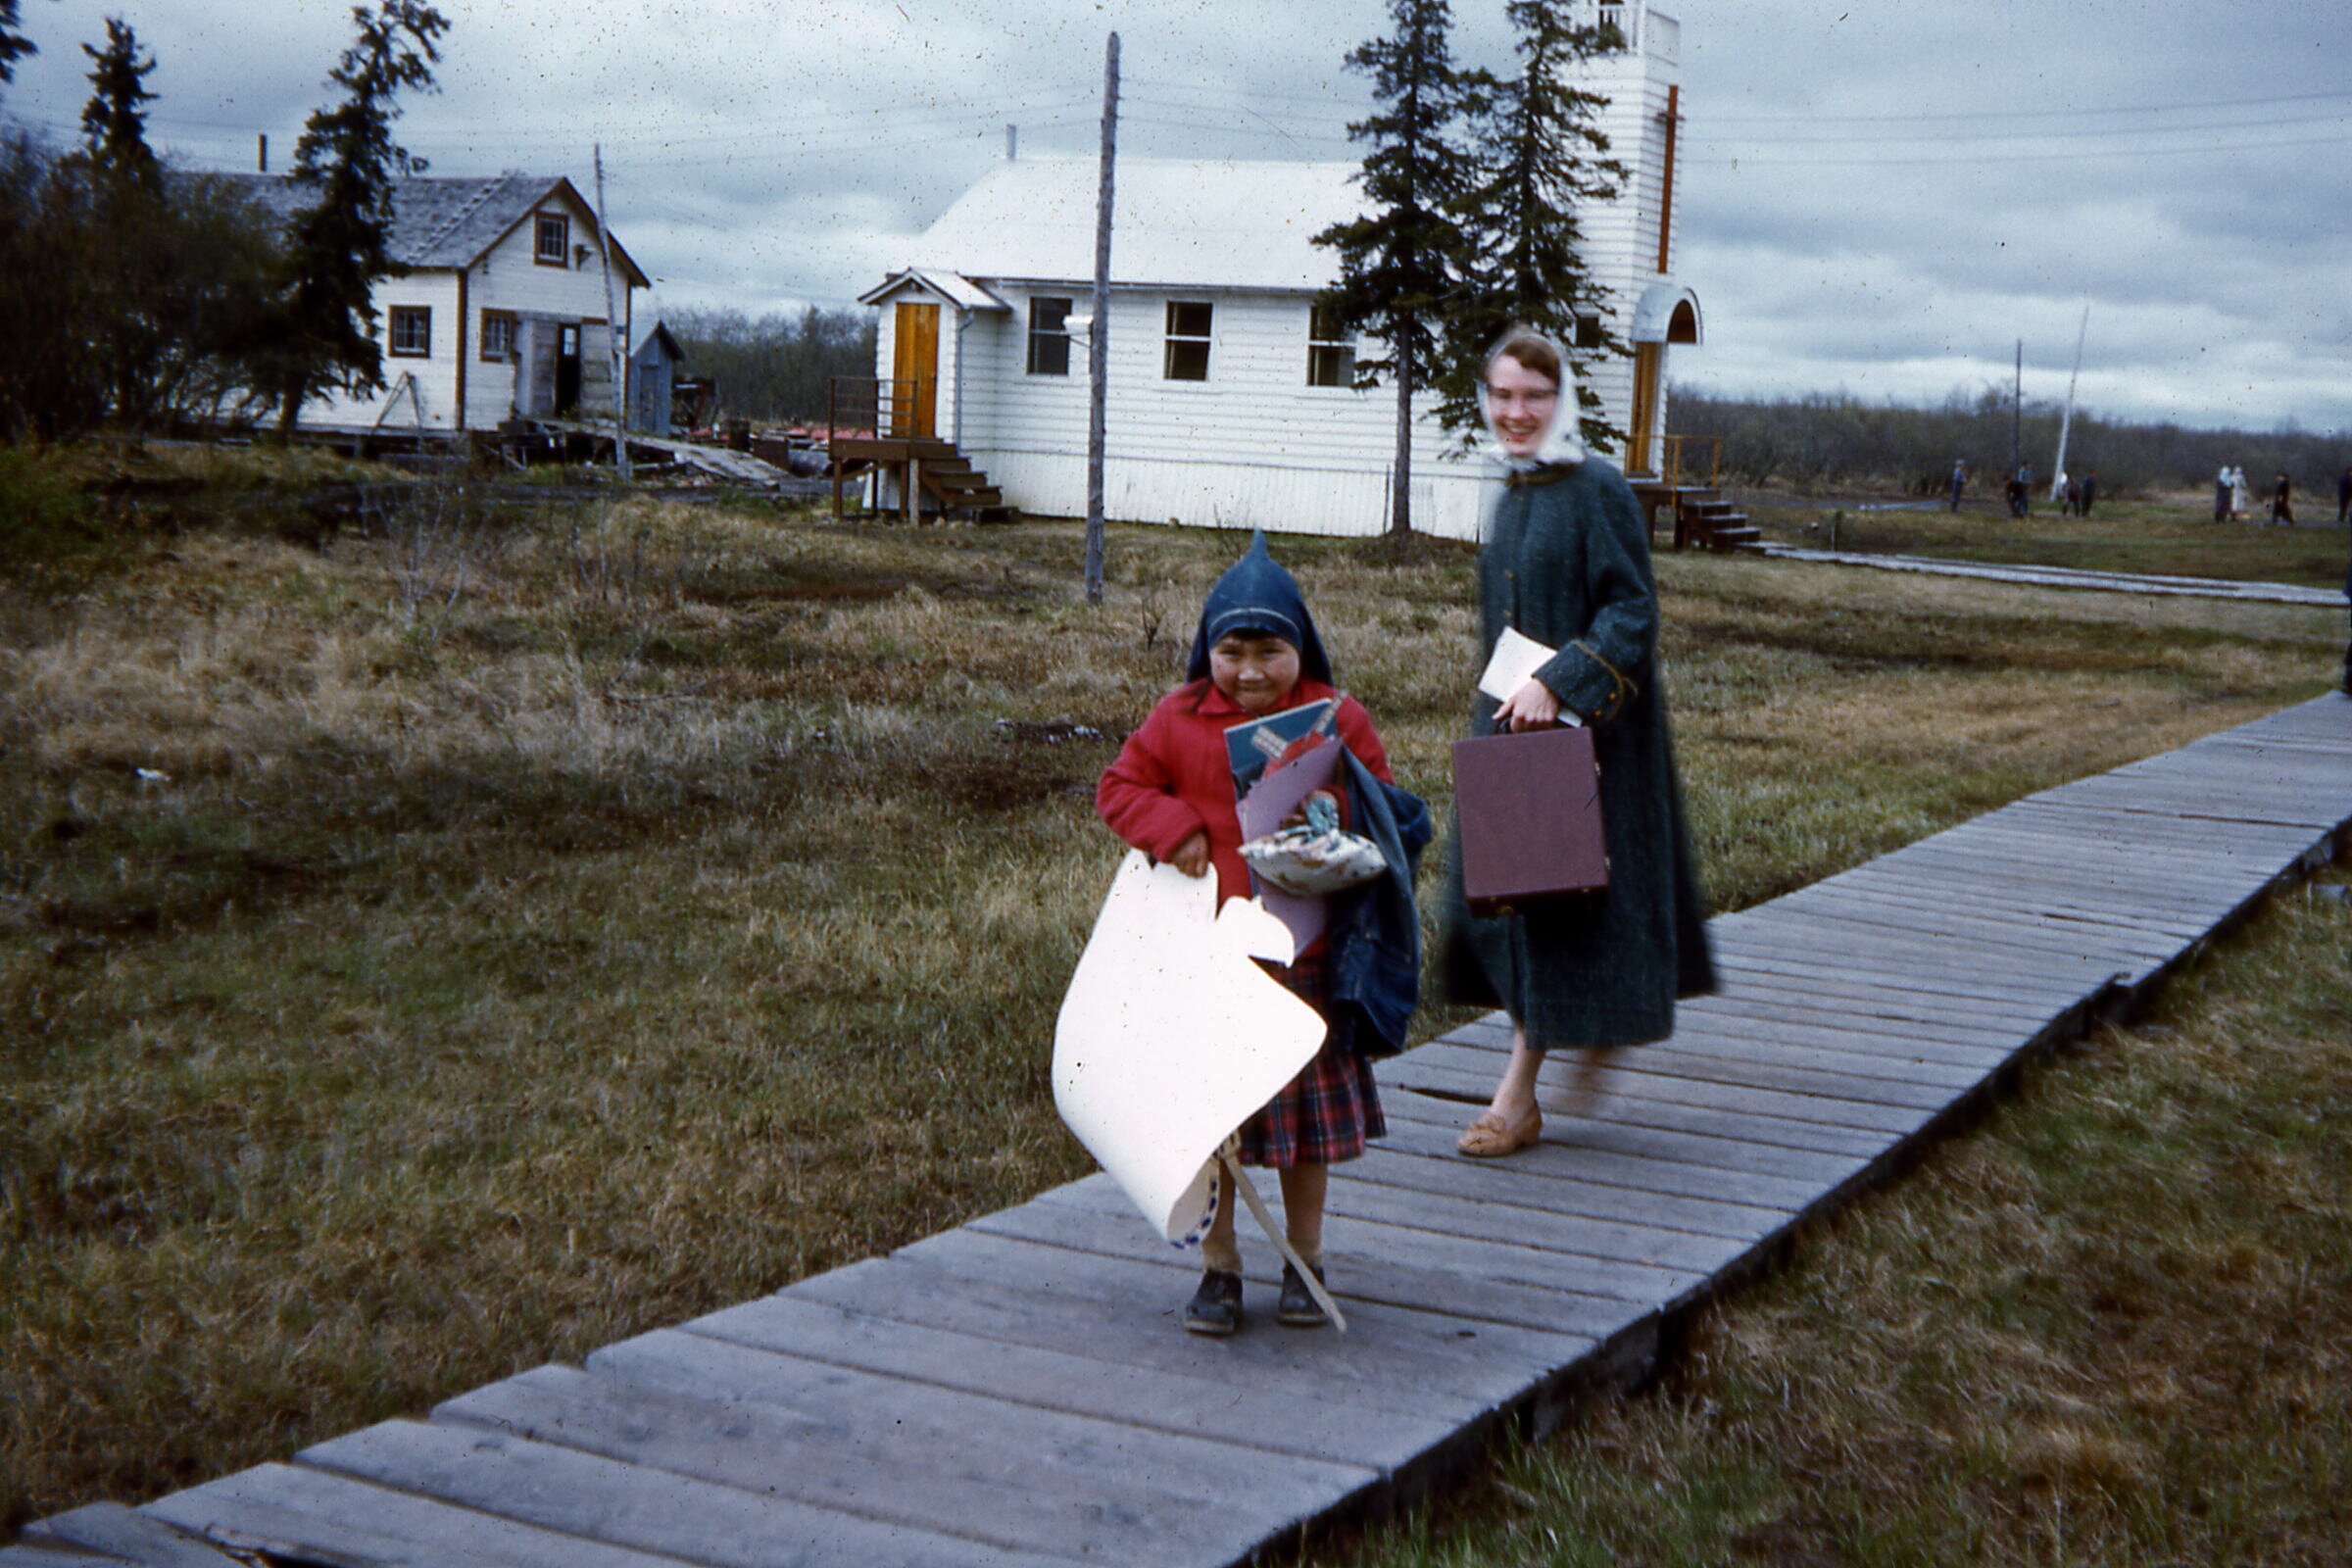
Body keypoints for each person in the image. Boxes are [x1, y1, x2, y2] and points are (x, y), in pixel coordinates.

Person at [1097, 533, 1429, 1335]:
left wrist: (1339, 832)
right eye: (1231, 651)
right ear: (1206, 650)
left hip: (1308, 954)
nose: (1250, 671)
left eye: (1270, 650)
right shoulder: (1177, 719)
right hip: (1210, 957)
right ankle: (1219, 1267)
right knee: (1213, 1122)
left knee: (1300, 1123)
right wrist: (1171, 827)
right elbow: (1119, 786)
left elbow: (1386, 808)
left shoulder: (1336, 717)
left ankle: (1305, 1255)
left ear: (1301, 645)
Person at [1439, 327, 1715, 1158]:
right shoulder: (1514, 492)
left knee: (1549, 907)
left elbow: (1633, 611)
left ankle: (1516, 1097)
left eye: (1534, 396)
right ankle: (1594, 1025)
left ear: (1562, 402)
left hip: (1597, 738)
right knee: (1497, 905)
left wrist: (1563, 680)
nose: (1516, 413)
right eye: (1503, 395)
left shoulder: (1594, 488)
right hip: (1516, 736)